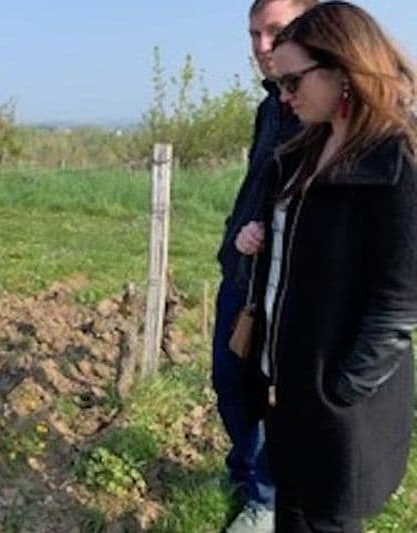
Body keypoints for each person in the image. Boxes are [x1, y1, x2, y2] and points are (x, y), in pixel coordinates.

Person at [235, 2, 417, 530]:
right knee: (290, 513)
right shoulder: (301, 150)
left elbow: (399, 302)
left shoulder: (396, 161)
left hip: (333, 407)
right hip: (285, 385)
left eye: (294, 81)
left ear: (343, 69)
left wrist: (336, 391)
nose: (284, 95)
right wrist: (263, 240)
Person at [214, 1, 316, 531]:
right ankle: (243, 468)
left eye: (273, 31)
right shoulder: (268, 108)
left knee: (268, 390)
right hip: (241, 272)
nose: (261, 46)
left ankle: (267, 498)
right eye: (253, 33)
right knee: (229, 381)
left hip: (284, 283)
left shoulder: (317, 110)